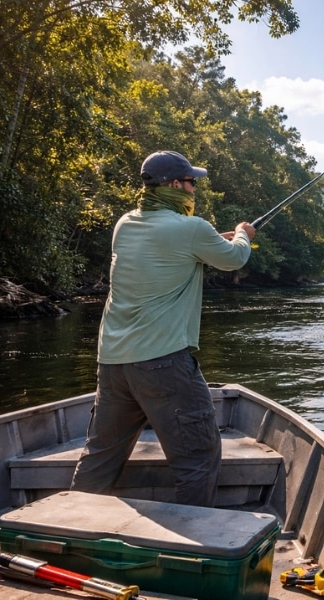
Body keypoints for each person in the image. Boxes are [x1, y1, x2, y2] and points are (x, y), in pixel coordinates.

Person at [70, 150, 256, 507]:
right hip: (164, 365)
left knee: (100, 457)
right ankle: (189, 549)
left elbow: (169, 247)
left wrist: (211, 239)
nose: (194, 189)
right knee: (198, 458)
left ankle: (68, 531)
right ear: (174, 185)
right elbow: (234, 257)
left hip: (112, 364)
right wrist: (243, 234)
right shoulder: (191, 229)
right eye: (191, 182)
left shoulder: (125, 223)